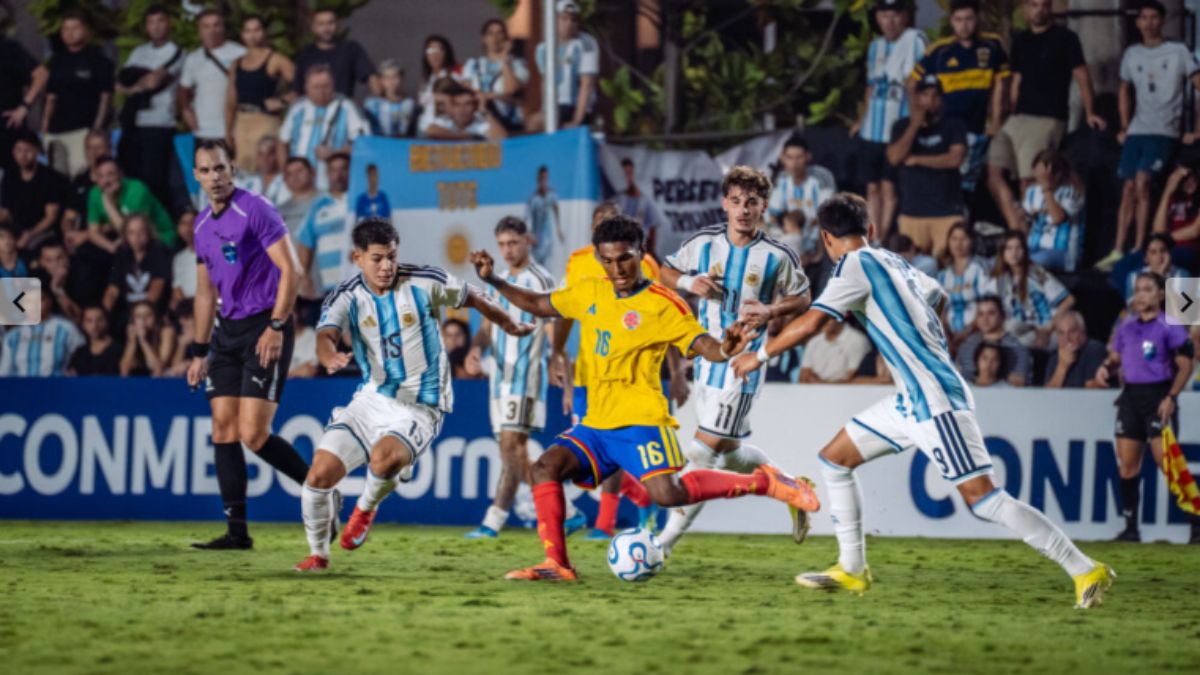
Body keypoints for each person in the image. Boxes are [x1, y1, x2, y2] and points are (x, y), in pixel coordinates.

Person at [731, 192, 1114, 607]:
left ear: (825, 238)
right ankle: (852, 569)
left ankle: (1083, 568)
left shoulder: (854, 266)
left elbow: (813, 322)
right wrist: (926, 339)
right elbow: (939, 296)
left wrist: (760, 355)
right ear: (871, 229)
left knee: (985, 500)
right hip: (909, 400)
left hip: (934, 401)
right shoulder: (894, 261)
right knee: (834, 459)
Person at [470, 214, 821, 581]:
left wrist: (726, 347)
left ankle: (768, 482)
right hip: (597, 422)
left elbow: (705, 346)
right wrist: (492, 279)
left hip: (640, 420)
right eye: (607, 260)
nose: (616, 268)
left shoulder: (663, 304)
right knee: (545, 467)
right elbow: (539, 304)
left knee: (667, 495)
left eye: (624, 257)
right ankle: (558, 564)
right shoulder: (590, 290)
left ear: (640, 253)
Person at [294, 217, 535, 571]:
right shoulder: (347, 295)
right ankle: (319, 555)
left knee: (383, 458)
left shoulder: (424, 282)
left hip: (421, 403)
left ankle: (365, 508)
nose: (387, 266)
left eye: (392, 256)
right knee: (317, 478)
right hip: (371, 400)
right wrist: (328, 355)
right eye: (377, 258)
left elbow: (476, 297)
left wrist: (510, 324)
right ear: (356, 257)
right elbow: (326, 333)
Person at [656, 165, 813, 554]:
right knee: (728, 452)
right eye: (737, 201)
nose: (744, 209)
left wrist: (771, 311)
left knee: (701, 452)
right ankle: (790, 484)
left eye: (752, 202)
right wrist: (688, 282)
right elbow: (664, 270)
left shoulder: (778, 255)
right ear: (725, 204)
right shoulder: (704, 242)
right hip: (708, 360)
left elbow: (804, 298)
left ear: (763, 207)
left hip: (744, 365)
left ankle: (661, 547)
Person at [186, 139, 310, 550]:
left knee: (254, 435)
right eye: (206, 170)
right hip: (227, 332)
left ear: (232, 169)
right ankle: (237, 533)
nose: (214, 177)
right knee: (223, 429)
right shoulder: (201, 225)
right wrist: (198, 350)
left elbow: (291, 270)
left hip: (264, 324)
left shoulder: (255, 208)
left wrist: (276, 325)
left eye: (220, 168)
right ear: (197, 176)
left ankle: (321, 490)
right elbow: (205, 294)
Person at [551, 201, 670, 539]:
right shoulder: (576, 262)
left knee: (612, 451)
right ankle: (642, 499)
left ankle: (605, 522)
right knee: (589, 457)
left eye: (612, 221)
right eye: (599, 223)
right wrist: (558, 355)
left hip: (629, 378)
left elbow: (665, 314)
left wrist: (674, 373)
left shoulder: (643, 263)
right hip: (587, 373)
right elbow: (563, 311)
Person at [464, 217, 560, 539]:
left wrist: (558, 358)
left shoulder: (541, 278)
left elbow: (552, 325)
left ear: (527, 241)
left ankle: (558, 513)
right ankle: (497, 520)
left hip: (526, 374)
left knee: (510, 447)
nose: (507, 250)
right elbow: (487, 328)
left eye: (513, 243)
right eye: (502, 244)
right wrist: (476, 350)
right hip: (500, 379)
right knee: (512, 452)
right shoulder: (498, 279)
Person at [1094, 272, 1196, 544]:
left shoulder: (1169, 325)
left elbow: (1187, 363)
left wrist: (1171, 397)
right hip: (1130, 398)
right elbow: (1117, 356)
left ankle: (1196, 523)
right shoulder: (1126, 326)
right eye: (1138, 289)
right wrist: (1106, 368)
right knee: (1127, 466)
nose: (1141, 295)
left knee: (1168, 463)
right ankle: (1130, 528)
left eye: (1147, 289)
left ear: (1161, 295)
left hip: (1158, 396)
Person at [988, 0, 1105, 234]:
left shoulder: (1065, 38)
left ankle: (1031, 239)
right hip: (1016, 118)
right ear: (1025, 9)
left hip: (1047, 117)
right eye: (1033, 4)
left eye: (1044, 5)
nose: (1039, 9)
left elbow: (1081, 75)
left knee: (1029, 180)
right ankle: (1017, 230)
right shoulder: (1021, 40)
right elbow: (1016, 81)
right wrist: (1005, 115)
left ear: (1050, 8)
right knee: (993, 172)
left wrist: (1091, 112)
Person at [1100, 0, 1200, 270]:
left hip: (1164, 130)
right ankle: (1118, 250)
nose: (1149, 22)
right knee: (1128, 187)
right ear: (1138, 22)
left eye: (1154, 17)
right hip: (1137, 130)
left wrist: (1197, 128)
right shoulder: (1132, 54)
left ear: (1163, 20)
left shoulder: (1178, 50)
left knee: (1143, 181)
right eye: (1144, 17)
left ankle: (1140, 247)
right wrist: (1123, 125)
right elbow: (1123, 89)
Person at [911, 0, 1009, 194]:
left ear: (977, 18)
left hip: (978, 127)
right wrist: (919, 117)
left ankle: (964, 221)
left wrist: (996, 122)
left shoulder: (992, 45)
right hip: (947, 128)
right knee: (945, 179)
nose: (964, 25)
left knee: (969, 182)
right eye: (959, 20)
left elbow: (1001, 86)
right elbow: (912, 83)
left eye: (969, 19)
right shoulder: (939, 51)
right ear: (951, 21)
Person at [852, 0, 926, 239]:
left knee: (889, 186)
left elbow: (919, 84)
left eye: (895, 15)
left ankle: (882, 237)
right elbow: (871, 86)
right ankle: (872, 237)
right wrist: (861, 119)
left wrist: (918, 120)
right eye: (884, 16)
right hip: (872, 128)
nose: (890, 22)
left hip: (897, 126)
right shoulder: (875, 47)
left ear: (904, 17)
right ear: (878, 19)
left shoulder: (915, 40)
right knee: (871, 186)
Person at [887, 74, 966, 260]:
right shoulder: (901, 126)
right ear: (916, 98)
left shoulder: (954, 125)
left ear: (942, 100)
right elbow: (894, 157)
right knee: (910, 271)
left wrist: (916, 160)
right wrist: (915, 125)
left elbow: (955, 159)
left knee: (947, 264)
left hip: (947, 212)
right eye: (924, 95)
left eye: (935, 96)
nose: (929, 100)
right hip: (912, 213)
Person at [117, 5, 184, 209]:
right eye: (151, 22)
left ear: (168, 23)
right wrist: (140, 81)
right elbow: (120, 83)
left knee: (155, 179)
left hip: (159, 122)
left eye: (160, 21)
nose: (155, 27)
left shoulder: (176, 52)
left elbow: (154, 82)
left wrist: (136, 80)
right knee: (131, 174)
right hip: (133, 123)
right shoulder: (139, 51)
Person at [40, 11, 114, 179]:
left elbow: (105, 97)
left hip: (83, 130)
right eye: (65, 29)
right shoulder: (57, 61)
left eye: (75, 28)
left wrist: (97, 128)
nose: (70, 33)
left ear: (86, 31)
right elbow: (51, 97)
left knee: (81, 175)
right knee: (57, 179)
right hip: (56, 131)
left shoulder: (98, 60)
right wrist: (44, 128)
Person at [279, 65, 370, 191]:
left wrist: (334, 153)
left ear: (334, 85)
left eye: (326, 86)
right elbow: (282, 142)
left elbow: (364, 143)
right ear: (307, 87)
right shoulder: (297, 108)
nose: (321, 91)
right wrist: (286, 172)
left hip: (331, 183)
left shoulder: (347, 107)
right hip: (298, 185)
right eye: (316, 87)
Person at [225, 15, 295, 173]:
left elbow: (304, 85)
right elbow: (231, 100)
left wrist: (283, 101)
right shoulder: (236, 64)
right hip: (242, 122)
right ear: (242, 35)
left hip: (265, 120)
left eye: (257, 30)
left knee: (266, 167)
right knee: (242, 170)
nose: (252, 35)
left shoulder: (275, 59)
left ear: (264, 32)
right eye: (248, 31)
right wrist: (228, 130)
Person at [987, 232, 1073, 348]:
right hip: (1017, 327)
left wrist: (1047, 329)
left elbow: (1069, 300)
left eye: (1018, 248)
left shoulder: (1036, 273)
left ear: (1025, 251)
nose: (1014, 253)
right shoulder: (999, 280)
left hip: (1043, 327)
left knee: (1013, 343)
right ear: (1002, 253)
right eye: (1009, 248)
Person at [179, 9, 246, 143]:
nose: (212, 30)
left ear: (223, 27)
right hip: (204, 131)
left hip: (235, 130)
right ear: (199, 31)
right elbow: (183, 88)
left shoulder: (240, 53)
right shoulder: (193, 58)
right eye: (206, 26)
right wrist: (186, 111)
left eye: (216, 25)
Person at [1, 274, 84, 377]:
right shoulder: (13, 337)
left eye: (39, 300)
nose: (34, 305)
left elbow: (83, 360)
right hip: (22, 391)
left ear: (49, 301)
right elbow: (4, 374)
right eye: (28, 301)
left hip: (58, 389)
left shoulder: (66, 329)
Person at [534, 2, 600, 129]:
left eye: (573, 20)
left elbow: (587, 85)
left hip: (576, 105)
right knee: (533, 123)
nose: (569, 24)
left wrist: (576, 121)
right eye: (564, 19)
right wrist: (545, 110)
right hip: (554, 105)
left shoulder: (586, 43)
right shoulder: (542, 48)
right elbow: (545, 81)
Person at [0, 130, 69, 252]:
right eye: (19, 150)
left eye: (28, 150)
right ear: (13, 152)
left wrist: (29, 235)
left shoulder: (50, 178)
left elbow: (50, 218)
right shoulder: (9, 176)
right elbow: (5, 212)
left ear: (36, 151)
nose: (23, 155)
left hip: (42, 232)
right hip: (17, 230)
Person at [86, 156, 176, 249]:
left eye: (111, 174)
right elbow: (93, 232)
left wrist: (107, 203)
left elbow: (131, 232)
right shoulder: (95, 193)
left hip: (160, 238)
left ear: (121, 174)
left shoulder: (137, 190)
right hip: (129, 241)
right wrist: (111, 248)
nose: (106, 181)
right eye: (100, 176)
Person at [101, 213, 173, 327]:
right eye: (131, 232)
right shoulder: (122, 254)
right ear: (125, 235)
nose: (137, 237)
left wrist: (141, 316)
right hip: (127, 314)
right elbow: (112, 290)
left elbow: (157, 286)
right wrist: (103, 315)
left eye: (141, 231)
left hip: (152, 313)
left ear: (148, 232)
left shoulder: (159, 251)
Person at [461, 19, 530, 133]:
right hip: (478, 120)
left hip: (509, 121)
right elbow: (465, 92)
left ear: (506, 37)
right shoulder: (473, 64)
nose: (495, 37)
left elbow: (511, 89)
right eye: (490, 33)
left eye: (499, 32)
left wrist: (504, 61)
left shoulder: (517, 64)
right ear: (484, 39)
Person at [297, 152, 351, 295]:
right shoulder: (318, 206)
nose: (338, 175)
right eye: (333, 170)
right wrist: (304, 277)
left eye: (343, 169)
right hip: (331, 288)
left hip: (361, 284)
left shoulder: (360, 201)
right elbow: (305, 244)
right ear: (327, 174)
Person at [1023, 149, 1085, 273]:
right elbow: (1026, 223)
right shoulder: (1031, 192)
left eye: (1051, 171)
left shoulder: (1072, 192)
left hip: (1061, 252)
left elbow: (1058, 218)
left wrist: (1046, 187)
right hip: (1033, 247)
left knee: (1031, 264)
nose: (1046, 175)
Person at [293, 8, 377, 99]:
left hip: (343, 109)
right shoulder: (306, 54)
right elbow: (297, 91)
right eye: (321, 24)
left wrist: (379, 98)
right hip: (312, 110)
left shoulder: (350, 49)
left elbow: (371, 78)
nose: (326, 29)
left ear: (337, 25)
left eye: (330, 23)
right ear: (313, 28)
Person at [955, 294, 1032, 386]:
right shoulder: (967, 344)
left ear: (1002, 316)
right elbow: (958, 378)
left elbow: (1019, 383)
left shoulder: (1017, 348)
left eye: (991, 313)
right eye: (980, 314)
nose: (985, 319)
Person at [937, 222, 988, 349]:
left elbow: (986, 303)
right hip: (949, 336)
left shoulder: (980, 268)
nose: (958, 244)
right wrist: (947, 336)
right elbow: (940, 311)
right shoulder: (943, 275)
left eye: (964, 238)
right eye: (954, 239)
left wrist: (967, 332)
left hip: (977, 331)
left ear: (972, 241)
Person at [768, 136, 834, 233]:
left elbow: (827, 216)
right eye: (789, 157)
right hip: (789, 235)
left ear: (808, 156)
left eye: (799, 157)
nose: (794, 163)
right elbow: (773, 214)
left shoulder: (821, 177)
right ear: (782, 158)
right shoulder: (781, 179)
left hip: (816, 236)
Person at [0, 35, 46, 172]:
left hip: (8, 127)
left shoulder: (9, 49)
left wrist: (24, 107)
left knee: (14, 179)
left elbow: (41, 74)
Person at [1151, 162, 1200, 271]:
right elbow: (1158, 230)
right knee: (1126, 264)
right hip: (1167, 248)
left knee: (1163, 259)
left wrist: (1165, 239)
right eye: (1184, 179)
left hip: (1191, 249)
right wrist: (1167, 192)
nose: (1189, 182)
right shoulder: (1173, 198)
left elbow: (1195, 230)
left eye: (1192, 177)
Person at [423, 78, 506, 141]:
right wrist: (467, 137)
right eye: (457, 104)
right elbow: (431, 131)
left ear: (475, 108)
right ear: (451, 108)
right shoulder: (446, 122)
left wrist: (484, 111)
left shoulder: (480, 126)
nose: (462, 109)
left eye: (468, 104)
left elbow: (503, 138)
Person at [616, 157, 665, 258]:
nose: (627, 177)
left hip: (640, 249)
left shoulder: (644, 200)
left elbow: (652, 229)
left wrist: (650, 251)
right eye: (624, 174)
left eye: (629, 173)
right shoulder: (616, 199)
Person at [1043, 310, 1106, 388]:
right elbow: (1047, 395)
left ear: (1083, 331)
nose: (1066, 338)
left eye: (1072, 332)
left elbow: (1093, 392)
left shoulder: (1094, 349)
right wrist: (1062, 367)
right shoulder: (1055, 355)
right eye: (1061, 333)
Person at [799, 320, 871, 384]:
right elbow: (803, 376)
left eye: (827, 318)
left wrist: (821, 384)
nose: (822, 321)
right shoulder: (814, 341)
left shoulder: (857, 340)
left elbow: (853, 379)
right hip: (815, 392)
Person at [416, 35, 460, 134]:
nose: (435, 55)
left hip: (444, 130)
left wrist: (445, 98)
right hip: (423, 129)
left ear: (446, 53)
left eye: (439, 50)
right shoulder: (426, 80)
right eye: (431, 51)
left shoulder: (454, 77)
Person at [1124, 232, 1186, 302]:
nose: (1159, 256)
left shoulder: (1181, 274)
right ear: (1146, 258)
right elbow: (1132, 308)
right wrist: (1160, 276)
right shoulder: (1134, 277)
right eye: (1153, 252)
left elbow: (1185, 307)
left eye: (1163, 250)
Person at [119, 300, 175, 377]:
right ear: (132, 320)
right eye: (138, 316)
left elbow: (159, 369)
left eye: (148, 315)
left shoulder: (166, 331)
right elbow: (124, 371)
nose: (143, 320)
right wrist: (132, 342)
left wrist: (143, 341)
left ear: (156, 317)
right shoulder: (132, 332)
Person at [363, 60, 416, 137]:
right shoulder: (372, 104)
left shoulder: (409, 103)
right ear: (381, 80)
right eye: (387, 78)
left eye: (395, 77)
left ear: (402, 78)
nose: (391, 82)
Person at [234, 136, 290, 206]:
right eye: (260, 154)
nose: (265, 159)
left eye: (270, 153)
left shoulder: (288, 182)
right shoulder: (248, 182)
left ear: (278, 155)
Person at [67, 305, 122, 376]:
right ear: (83, 324)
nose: (95, 325)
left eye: (99, 320)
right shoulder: (80, 353)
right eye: (89, 321)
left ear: (107, 321)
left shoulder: (118, 350)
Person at [525, 166, 563, 266]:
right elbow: (526, 218)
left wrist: (559, 229)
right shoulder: (533, 199)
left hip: (547, 239)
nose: (543, 181)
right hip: (536, 240)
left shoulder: (551, 195)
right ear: (538, 179)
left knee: (548, 268)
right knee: (536, 267)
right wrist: (528, 235)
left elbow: (556, 208)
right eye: (541, 178)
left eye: (545, 178)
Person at [171, 210, 198, 310]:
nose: (188, 227)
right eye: (183, 223)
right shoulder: (179, 258)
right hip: (187, 311)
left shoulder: (213, 253)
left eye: (192, 222)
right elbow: (177, 289)